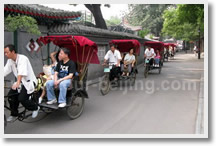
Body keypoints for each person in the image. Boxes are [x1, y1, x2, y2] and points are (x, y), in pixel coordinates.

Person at [4, 44, 40, 122]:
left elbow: (21, 72)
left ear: (13, 51)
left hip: (29, 82)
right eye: (4, 53)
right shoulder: (10, 61)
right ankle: (14, 114)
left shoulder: (23, 58)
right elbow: (5, 71)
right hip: (20, 83)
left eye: (7, 52)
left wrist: (17, 82)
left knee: (22, 99)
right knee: (11, 96)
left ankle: (35, 107)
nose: (5, 54)